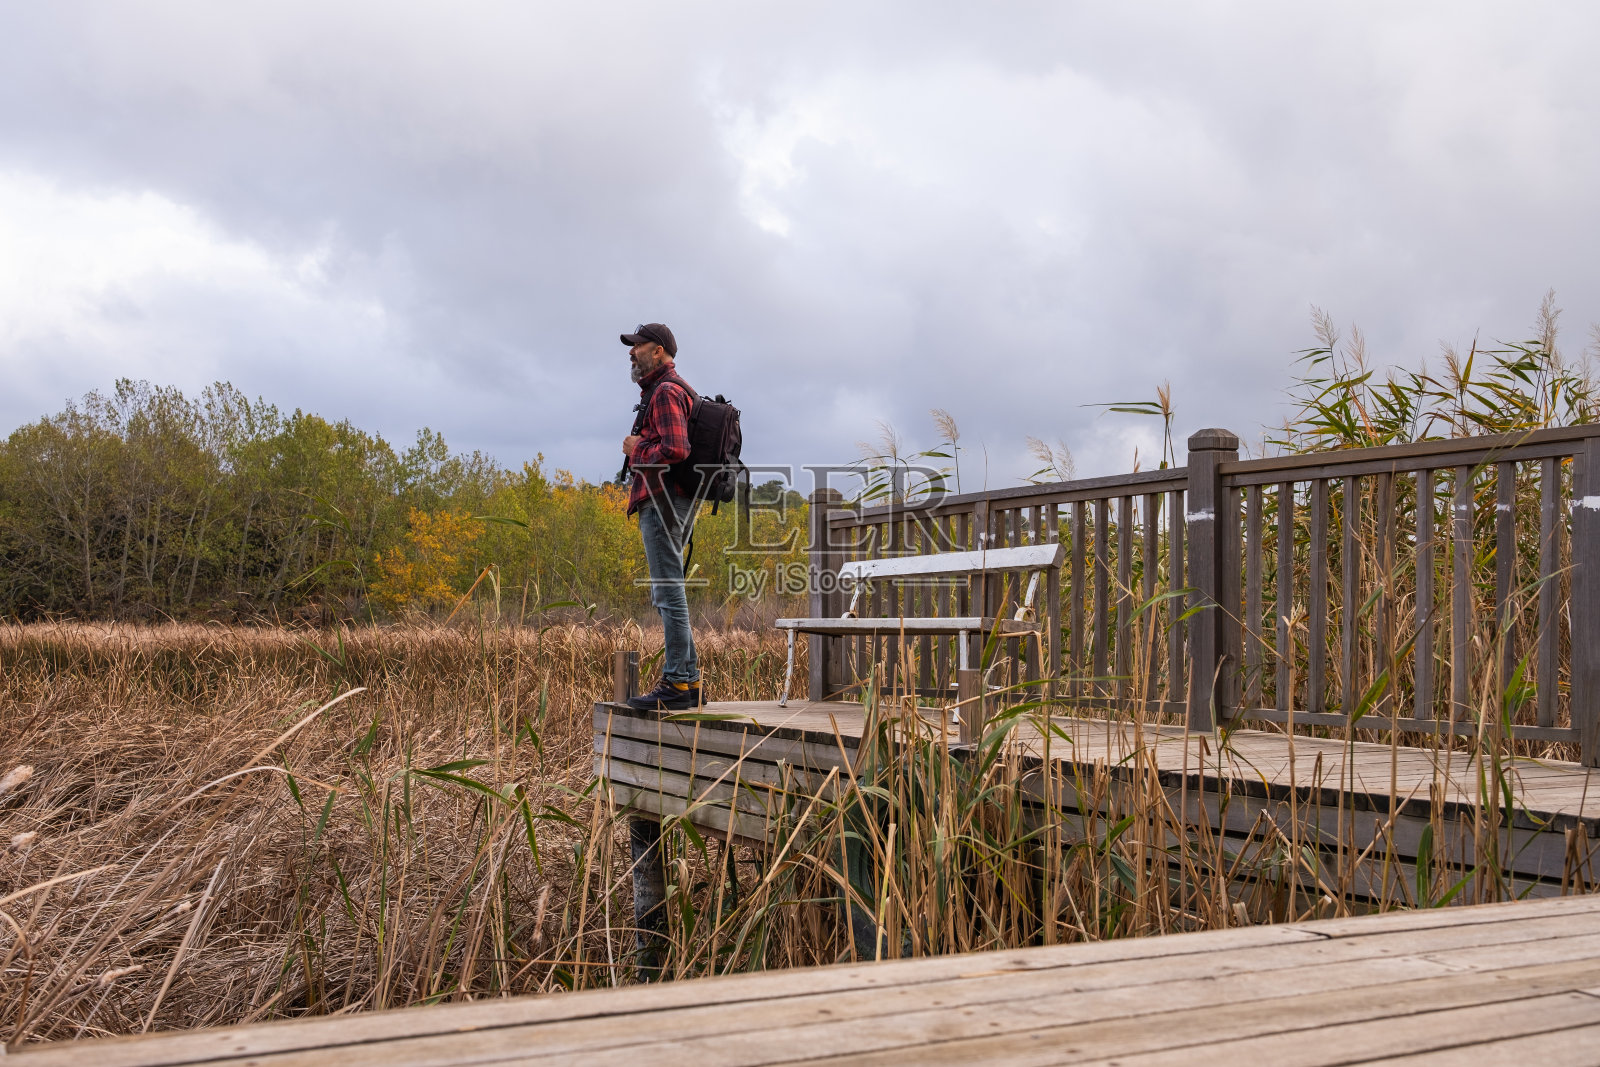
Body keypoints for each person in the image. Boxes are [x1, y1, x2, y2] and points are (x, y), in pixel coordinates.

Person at [620, 322, 703, 710]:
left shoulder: (667, 390)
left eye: (637, 346)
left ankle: (675, 684)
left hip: (663, 498)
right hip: (674, 498)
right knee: (669, 590)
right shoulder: (672, 389)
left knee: (669, 592)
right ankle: (688, 682)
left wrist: (636, 450)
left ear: (659, 350)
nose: (631, 353)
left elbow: (675, 449)